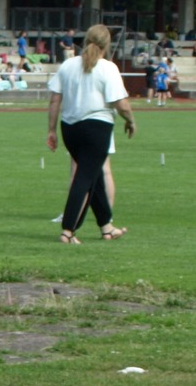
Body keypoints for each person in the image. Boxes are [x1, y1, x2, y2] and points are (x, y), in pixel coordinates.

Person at [47, 24, 135, 243]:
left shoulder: (68, 65)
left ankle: (107, 227)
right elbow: (121, 104)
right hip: (97, 127)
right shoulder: (108, 68)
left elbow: (55, 99)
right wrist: (130, 121)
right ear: (107, 45)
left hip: (70, 128)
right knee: (85, 177)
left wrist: (51, 130)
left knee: (93, 175)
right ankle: (68, 230)